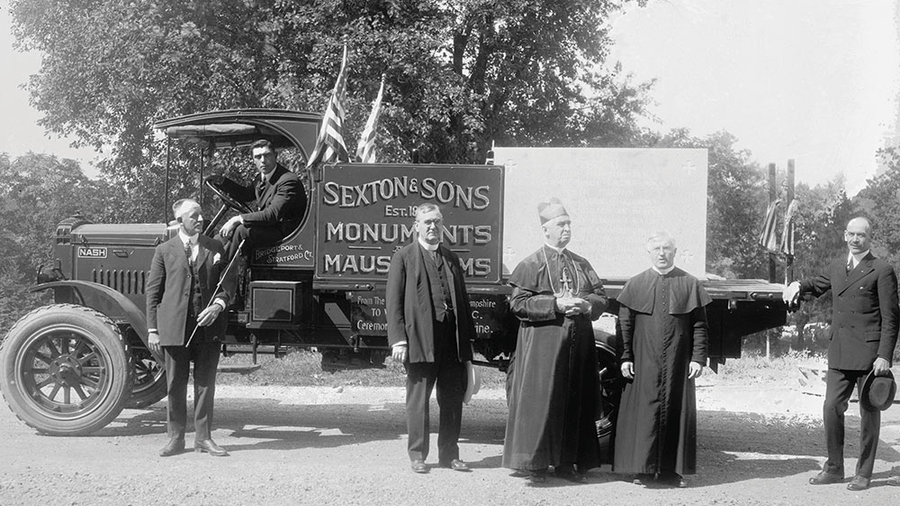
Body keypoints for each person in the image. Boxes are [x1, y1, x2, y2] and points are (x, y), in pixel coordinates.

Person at [783, 216, 899, 491]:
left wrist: (885, 355)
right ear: (845, 236)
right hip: (840, 351)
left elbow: (892, 317)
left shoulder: (881, 270)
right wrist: (798, 284)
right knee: (831, 407)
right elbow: (817, 284)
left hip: (871, 355)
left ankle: (864, 473)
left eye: (862, 235)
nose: (856, 239)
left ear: (870, 238)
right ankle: (834, 468)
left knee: (869, 414)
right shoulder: (838, 267)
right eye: (851, 234)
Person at [502, 197, 608, 484]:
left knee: (574, 403)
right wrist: (556, 305)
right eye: (561, 224)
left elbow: (601, 297)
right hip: (542, 349)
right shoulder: (531, 263)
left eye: (569, 224)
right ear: (545, 230)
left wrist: (587, 306)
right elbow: (518, 304)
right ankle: (535, 466)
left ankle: (566, 464)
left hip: (577, 348)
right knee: (542, 404)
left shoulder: (582, 263)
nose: (566, 229)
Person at [613, 231, 711, 488]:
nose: (662, 253)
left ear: (675, 252)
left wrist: (698, 358)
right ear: (649, 253)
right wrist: (625, 356)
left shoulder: (690, 284)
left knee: (675, 411)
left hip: (679, 362)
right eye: (656, 248)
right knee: (644, 412)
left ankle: (671, 472)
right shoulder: (635, 284)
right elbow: (624, 324)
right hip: (645, 361)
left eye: (667, 248)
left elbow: (700, 325)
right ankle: (643, 469)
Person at [386, 203, 476, 474]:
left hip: (451, 342)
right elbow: (394, 302)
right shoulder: (403, 257)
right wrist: (398, 339)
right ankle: (418, 455)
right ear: (416, 226)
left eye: (436, 221)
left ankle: (450, 454)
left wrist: (468, 345)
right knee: (418, 399)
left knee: (451, 400)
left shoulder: (451, 258)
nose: (432, 227)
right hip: (420, 340)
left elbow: (462, 300)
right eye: (426, 222)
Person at [147, 198, 236, 457]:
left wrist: (218, 305)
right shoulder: (164, 250)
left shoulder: (215, 247)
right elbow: (153, 292)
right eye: (194, 216)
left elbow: (229, 282)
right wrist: (153, 329)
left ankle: (203, 439)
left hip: (209, 326)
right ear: (180, 222)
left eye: (201, 215)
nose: (200, 220)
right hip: (175, 328)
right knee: (175, 384)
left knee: (205, 383)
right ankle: (175, 438)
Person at [219, 139, 307, 261]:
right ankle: (214, 263)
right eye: (258, 157)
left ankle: (219, 269)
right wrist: (222, 182)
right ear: (253, 160)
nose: (263, 160)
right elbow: (247, 194)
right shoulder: (261, 178)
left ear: (275, 156)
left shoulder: (288, 180)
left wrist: (238, 219)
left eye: (267, 155)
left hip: (286, 233)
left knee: (241, 231)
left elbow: (271, 215)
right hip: (271, 228)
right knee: (222, 236)